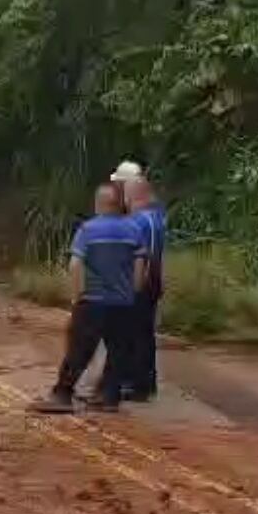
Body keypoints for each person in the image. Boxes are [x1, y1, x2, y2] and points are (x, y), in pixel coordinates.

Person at [31, 183, 148, 414]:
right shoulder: (134, 230)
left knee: (79, 350)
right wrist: (132, 292)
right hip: (123, 302)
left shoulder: (89, 229)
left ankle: (63, 394)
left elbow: (76, 264)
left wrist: (77, 296)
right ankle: (109, 397)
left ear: (100, 204)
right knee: (118, 351)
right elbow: (140, 266)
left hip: (93, 300)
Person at [121, 176, 166, 401]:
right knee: (142, 332)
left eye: (127, 193)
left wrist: (138, 283)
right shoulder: (151, 217)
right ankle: (144, 381)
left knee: (135, 332)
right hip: (146, 281)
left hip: (141, 282)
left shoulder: (144, 220)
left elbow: (145, 254)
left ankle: (136, 383)